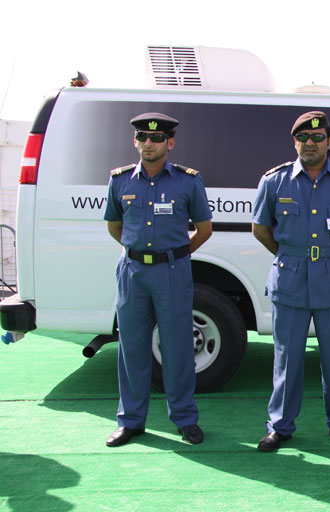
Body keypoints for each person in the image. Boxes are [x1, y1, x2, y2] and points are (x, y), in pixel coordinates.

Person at [252, 111, 330, 452]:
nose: (310, 143)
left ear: (329, 141)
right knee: (286, 358)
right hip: (290, 279)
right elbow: (260, 228)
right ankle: (280, 426)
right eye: (303, 137)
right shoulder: (275, 181)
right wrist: (291, 255)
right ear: (295, 142)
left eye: (318, 137)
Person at [103, 113, 213, 447]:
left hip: (171, 271)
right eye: (142, 138)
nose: (148, 143)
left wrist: (175, 254)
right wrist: (138, 253)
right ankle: (131, 421)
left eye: (156, 138)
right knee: (132, 348)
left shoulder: (187, 181)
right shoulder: (120, 180)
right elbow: (114, 226)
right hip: (133, 273)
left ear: (170, 143)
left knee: (178, 348)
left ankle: (184, 419)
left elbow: (204, 230)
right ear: (135, 142)